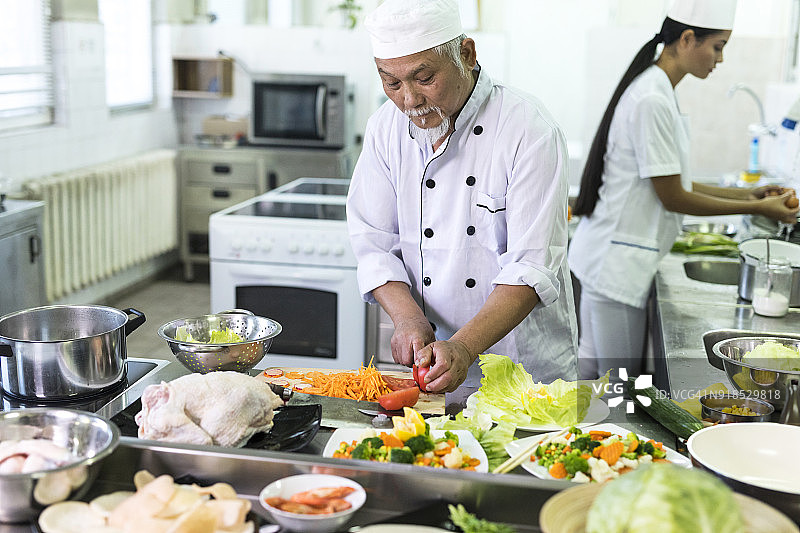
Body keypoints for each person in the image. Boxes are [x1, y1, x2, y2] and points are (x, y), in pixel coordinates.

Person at [346, 0, 578, 409]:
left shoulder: (528, 128)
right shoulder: (385, 128)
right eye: (392, 82)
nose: (410, 100)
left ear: (467, 55)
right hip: (428, 371)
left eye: (424, 77)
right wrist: (407, 318)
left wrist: (465, 347)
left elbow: (531, 265)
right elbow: (374, 243)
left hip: (521, 370)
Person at [569, 0, 799, 380]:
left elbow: (676, 182)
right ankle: (608, 440)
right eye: (718, 47)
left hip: (611, 264)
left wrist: (752, 196)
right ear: (688, 39)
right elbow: (673, 196)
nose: (719, 60)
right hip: (616, 269)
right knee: (617, 388)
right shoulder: (652, 98)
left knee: (598, 383)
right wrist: (760, 210)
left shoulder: (658, 90)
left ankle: (596, 438)